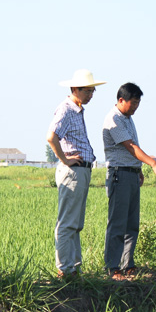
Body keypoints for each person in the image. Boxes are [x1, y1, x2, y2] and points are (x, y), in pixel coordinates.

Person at [102, 82, 156, 280]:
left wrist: (138, 170)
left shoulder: (128, 118)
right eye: (133, 103)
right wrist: (153, 164)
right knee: (117, 223)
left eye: (138, 103)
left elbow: (133, 148)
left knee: (132, 224)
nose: (136, 107)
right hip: (119, 175)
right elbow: (131, 147)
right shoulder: (114, 119)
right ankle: (113, 268)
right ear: (121, 100)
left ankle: (128, 265)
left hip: (130, 174)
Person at [46, 69, 106, 279]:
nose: (90, 94)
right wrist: (65, 159)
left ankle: (74, 267)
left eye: (92, 91)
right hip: (73, 171)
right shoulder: (66, 109)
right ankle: (65, 268)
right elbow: (51, 137)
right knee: (68, 222)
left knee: (76, 222)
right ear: (75, 89)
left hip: (81, 170)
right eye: (87, 90)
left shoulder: (77, 110)